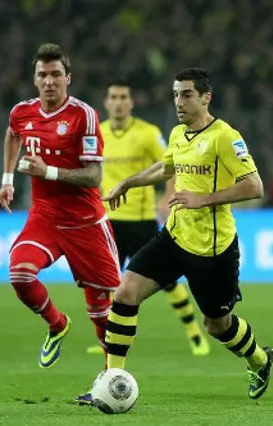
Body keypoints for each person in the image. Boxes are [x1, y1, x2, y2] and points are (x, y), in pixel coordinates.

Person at [83, 68, 273, 403]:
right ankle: (110, 378)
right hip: (174, 237)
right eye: (175, 94)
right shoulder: (177, 134)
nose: (179, 102)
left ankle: (260, 359)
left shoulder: (224, 136)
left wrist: (203, 199)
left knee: (217, 325)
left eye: (187, 94)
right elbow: (165, 168)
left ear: (206, 97)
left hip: (213, 251)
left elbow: (254, 186)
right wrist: (129, 181)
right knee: (126, 292)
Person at [0, 43, 120, 370]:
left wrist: (47, 171)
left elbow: (94, 176)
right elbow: (12, 135)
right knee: (20, 274)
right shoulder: (22, 112)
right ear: (34, 79)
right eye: (42, 75)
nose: (49, 81)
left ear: (68, 78)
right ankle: (57, 323)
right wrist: (7, 178)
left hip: (86, 222)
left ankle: (112, 378)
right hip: (45, 216)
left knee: (103, 315)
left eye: (56, 75)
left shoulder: (84, 116)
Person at [83, 80, 210, 358]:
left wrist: (165, 198)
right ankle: (108, 340)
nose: (118, 102)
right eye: (113, 96)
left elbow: (171, 167)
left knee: (167, 282)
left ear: (131, 102)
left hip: (140, 220)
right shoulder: (98, 133)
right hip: (109, 221)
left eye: (123, 97)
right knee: (106, 283)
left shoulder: (148, 133)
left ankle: (194, 334)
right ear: (106, 102)